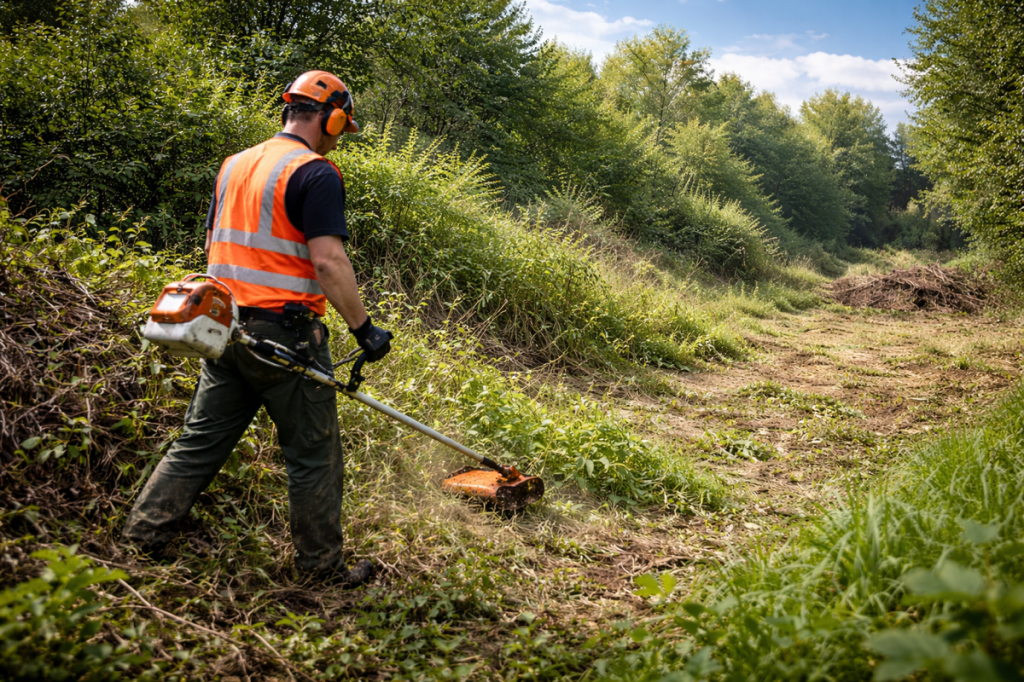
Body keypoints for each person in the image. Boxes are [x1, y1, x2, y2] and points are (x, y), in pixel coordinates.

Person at [123, 71, 391, 587]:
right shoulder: (316, 172)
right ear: (332, 119)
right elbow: (328, 261)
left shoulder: (235, 164)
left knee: (198, 442)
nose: (339, 138)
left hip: (224, 330)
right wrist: (365, 329)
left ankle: (141, 536)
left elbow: (212, 243)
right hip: (287, 338)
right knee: (313, 457)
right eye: (342, 127)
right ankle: (321, 570)